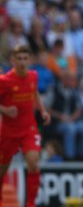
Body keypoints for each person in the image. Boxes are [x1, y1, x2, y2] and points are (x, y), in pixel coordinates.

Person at [0, 45, 51, 207]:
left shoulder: (33, 76)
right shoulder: (5, 81)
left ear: (30, 60)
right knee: (2, 169)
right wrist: (5, 110)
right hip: (8, 131)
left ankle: (30, 204)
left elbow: (34, 93)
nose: (22, 62)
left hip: (29, 128)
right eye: (19, 59)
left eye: (25, 58)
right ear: (13, 60)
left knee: (33, 162)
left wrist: (43, 110)